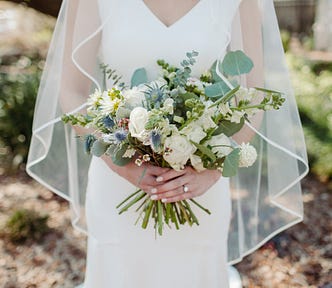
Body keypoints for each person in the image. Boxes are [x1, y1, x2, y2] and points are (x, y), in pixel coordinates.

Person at [26, 0, 309, 287]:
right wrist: (121, 163)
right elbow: (72, 91)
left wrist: (211, 170)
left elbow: (252, 100)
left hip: (199, 186)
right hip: (117, 182)